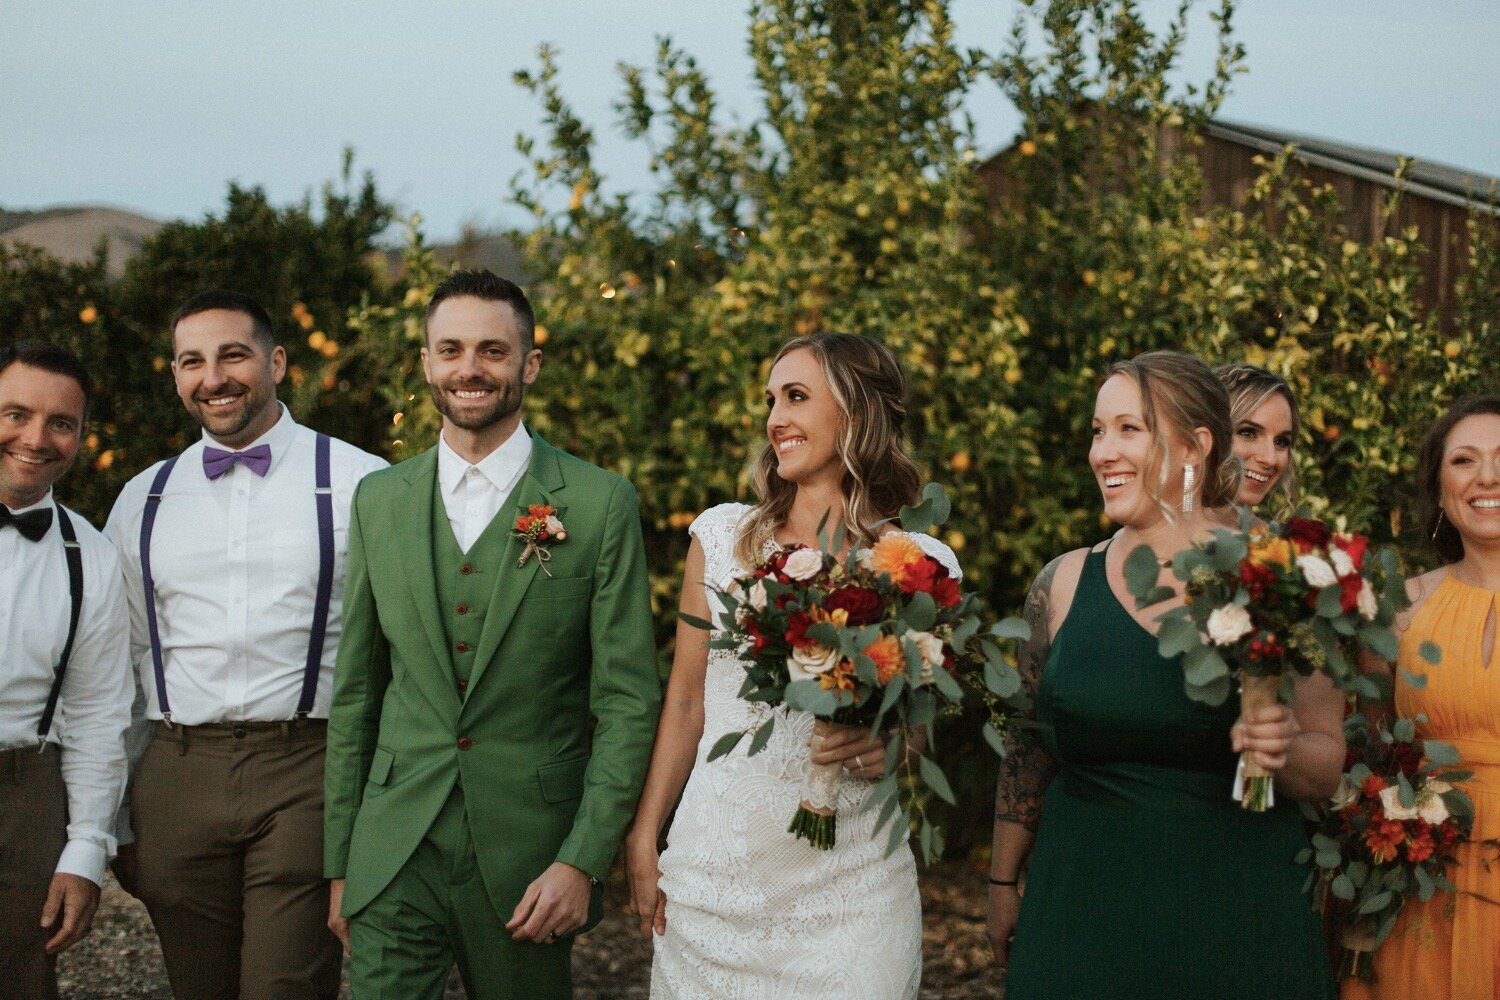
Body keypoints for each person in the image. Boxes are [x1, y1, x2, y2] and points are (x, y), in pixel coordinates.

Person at [323, 269, 661, 999]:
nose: (469, 369)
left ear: (529, 365)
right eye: (450, 350)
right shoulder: (378, 500)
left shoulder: (598, 503)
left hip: (531, 859)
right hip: (393, 847)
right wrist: (343, 861)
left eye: (492, 351)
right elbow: (357, 691)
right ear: (426, 364)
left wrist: (583, 857)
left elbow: (628, 700)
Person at [986, 350, 1342, 999]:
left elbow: (1326, 761)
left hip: (1239, 923)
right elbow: (1027, 746)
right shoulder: (1063, 582)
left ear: (1195, 447)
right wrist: (1002, 883)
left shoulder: (1281, 574)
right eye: (1098, 431)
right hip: (1078, 919)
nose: (1103, 452)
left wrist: (1280, 746)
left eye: (1129, 429)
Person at [625, 332, 958, 999]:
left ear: (857, 413)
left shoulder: (921, 568)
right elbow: (687, 700)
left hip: (856, 895)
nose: (776, 418)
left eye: (797, 397)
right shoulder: (721, 540)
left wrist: (887, 749)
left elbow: (917, 738)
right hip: (716, 883)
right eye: (772, 399)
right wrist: (644, 833)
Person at [105, 290, 387, 999]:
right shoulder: (144, 499)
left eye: (233, 355)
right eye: (191, 361)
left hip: (306, 766)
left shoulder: (360, 483)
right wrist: (113, 817)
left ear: (277, 362)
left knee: (285, 983)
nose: (214, 378)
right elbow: (120, 668)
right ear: (175, 376)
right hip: (176, 770)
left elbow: (394, 653)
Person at [1344, 394, 1500, 1000]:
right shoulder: (1397, 613)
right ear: (1439, 491)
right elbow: (1372, 764)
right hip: (1426, 886)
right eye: (1465, 460)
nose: (1488, 476)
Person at [0, 342, 132, 998]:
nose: (35, 438)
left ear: (81, 436)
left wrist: (86, 850)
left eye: (60, 423)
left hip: (23, 795)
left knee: (22, 976)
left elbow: (98, 716)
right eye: (15, 414)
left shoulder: (92, 557)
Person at [1215, 362, 1300, 510]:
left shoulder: (1273, 533)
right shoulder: (1165, 528)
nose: (1270, 459)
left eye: (1281, 442)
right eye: (1248, 433)